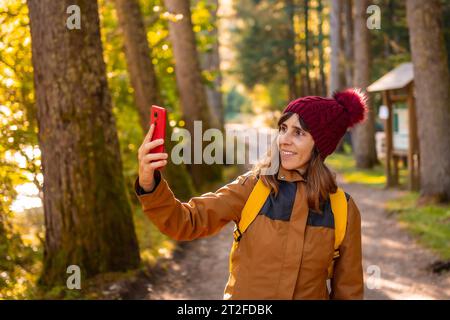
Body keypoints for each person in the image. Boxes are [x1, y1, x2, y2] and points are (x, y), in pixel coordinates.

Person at [135, 88, 367, 300]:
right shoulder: (252, 188)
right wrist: (149, 184)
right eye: (283, 129)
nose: (284, 140)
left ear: (320, 146)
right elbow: (186, 222)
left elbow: (349, 291)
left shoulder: (342, 209)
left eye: (298, 133)